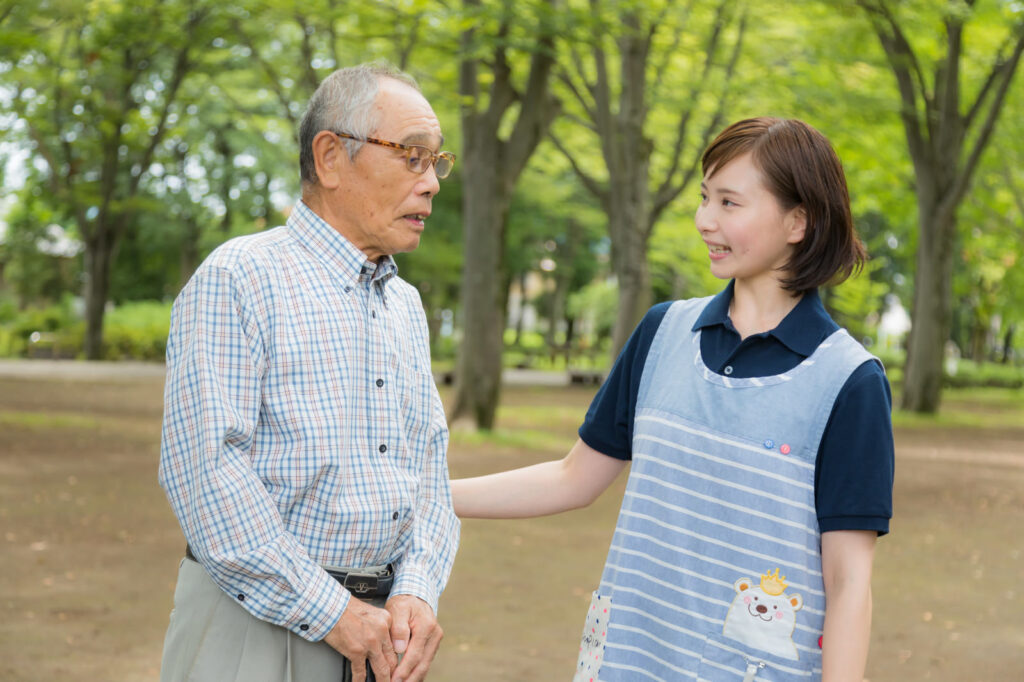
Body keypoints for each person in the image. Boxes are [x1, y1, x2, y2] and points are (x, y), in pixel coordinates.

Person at [452, 117, 895, 681]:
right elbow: (574, 478)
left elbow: (849, 581)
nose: (704, 220)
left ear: (798, 221)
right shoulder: (664, 332)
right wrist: (429, 496)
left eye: (730, 203)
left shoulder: (850, 381)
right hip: (628, 661)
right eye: (705, 197)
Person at [158, 63, 460, 682]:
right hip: (255, 630)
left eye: (436, 162)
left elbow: (430, 464)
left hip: (383, 640)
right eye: (412, 156)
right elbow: (206, 474)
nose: (431, 184)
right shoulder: (240, 277)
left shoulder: (403, 303)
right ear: (330, 157)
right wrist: (334, 613)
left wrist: (419, 589)